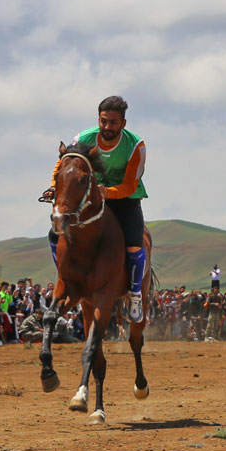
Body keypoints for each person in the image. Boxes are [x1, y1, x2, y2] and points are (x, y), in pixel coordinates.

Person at [43, 95, 148, 323]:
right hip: (89, 196)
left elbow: (131, 184)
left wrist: (108, 192)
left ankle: (135, 292)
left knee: (134, 244)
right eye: (103, 121)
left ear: (123, 124)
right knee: (55, 233)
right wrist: (54, 187)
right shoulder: (83, 138)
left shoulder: (136, 146)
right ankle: (65, 277)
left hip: (124, 198)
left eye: (113, 122)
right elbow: (63, 164)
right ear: (98, 119)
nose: (107, 127)